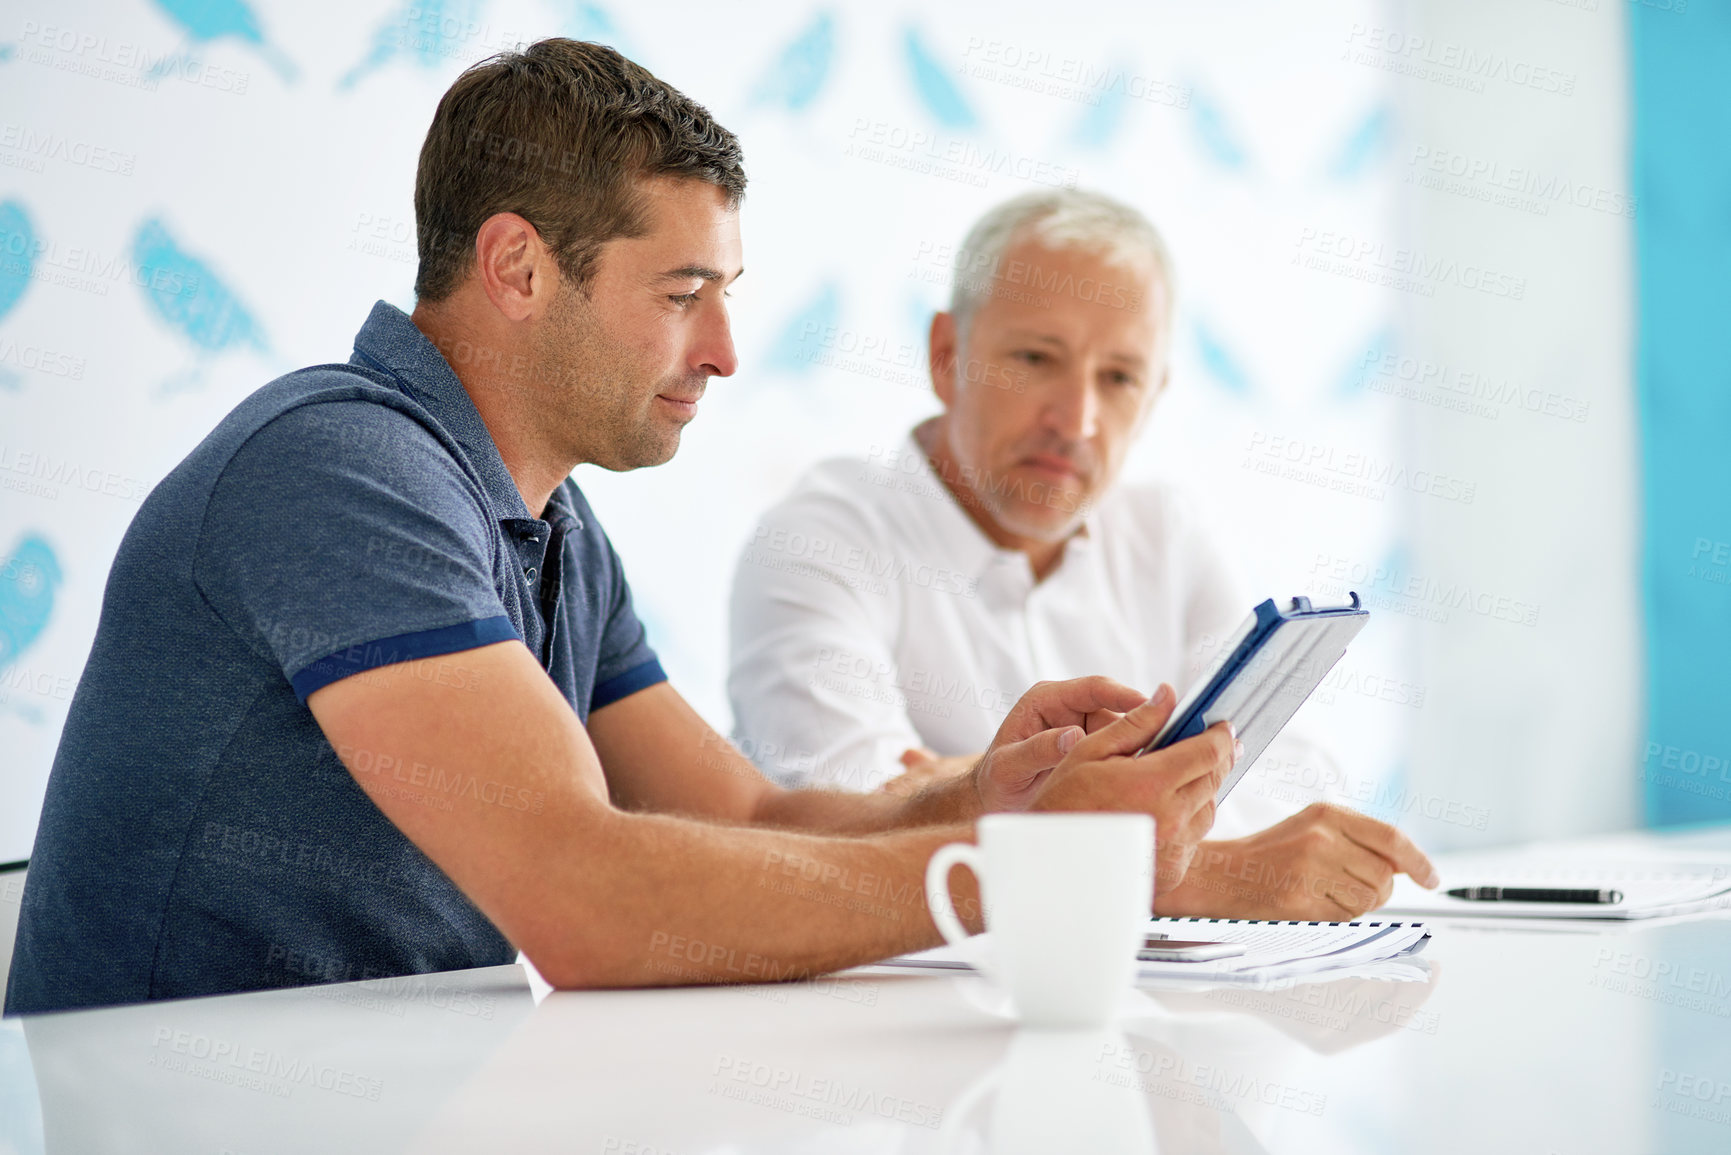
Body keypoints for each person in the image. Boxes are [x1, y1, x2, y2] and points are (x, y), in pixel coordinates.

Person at [3, 40, 1379, 1018]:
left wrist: (985, 792)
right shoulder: (338, 469)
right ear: (518, 267)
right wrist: (1026, 873)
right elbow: (584, 898)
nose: (724, 349)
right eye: (681, 292)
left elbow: (755, 814)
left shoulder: (550, 522)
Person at [729, 189, 1437, 920]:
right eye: (1036, 358)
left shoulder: (1166, 530)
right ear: (947, 356)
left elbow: (1295, 776)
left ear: (1155, 393)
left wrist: (994, 790)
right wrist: (1187, 857)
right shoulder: (817, 539)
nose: (1077, 420)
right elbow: (840, 826)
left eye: (1119, 377)